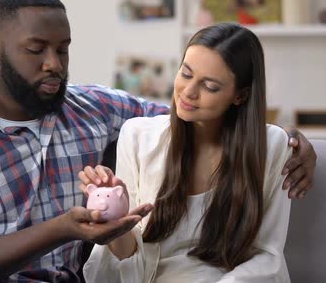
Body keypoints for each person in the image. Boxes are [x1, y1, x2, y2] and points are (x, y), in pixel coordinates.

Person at [0, 0, 316, 282]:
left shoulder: (92, 108)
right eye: (37, 50)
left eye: (63, 48)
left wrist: (289, 139)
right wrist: (63, 230)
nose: (54, 63)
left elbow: (191, 114)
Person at [81, 23, 299, 282]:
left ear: (240, 96)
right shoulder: (138, 136)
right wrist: (115, 223)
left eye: (210, 86)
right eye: (185, 73)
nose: (189, 92)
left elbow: (267, 257)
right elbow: (131, 260)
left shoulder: (272, 146)